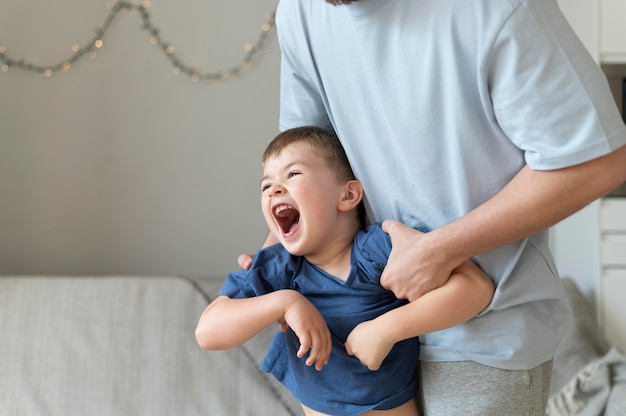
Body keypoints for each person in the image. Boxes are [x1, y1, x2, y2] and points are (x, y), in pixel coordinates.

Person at [235, 0, 626, 414]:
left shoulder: (498, 7)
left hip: (477, 336)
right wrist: (276, 267)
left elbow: (596, 162)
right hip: (354, 331)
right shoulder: (300, 13)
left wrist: (440, 251)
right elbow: (307, 166)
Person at [196, 126, 494, 416]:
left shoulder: (375, 252)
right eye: (265, 186)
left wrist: (385, 329)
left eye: (293, 173)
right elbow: (207, 332)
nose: (274, 189)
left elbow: (475, 288)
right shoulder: (280, 270)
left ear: (348, 196)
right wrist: (285, 302)